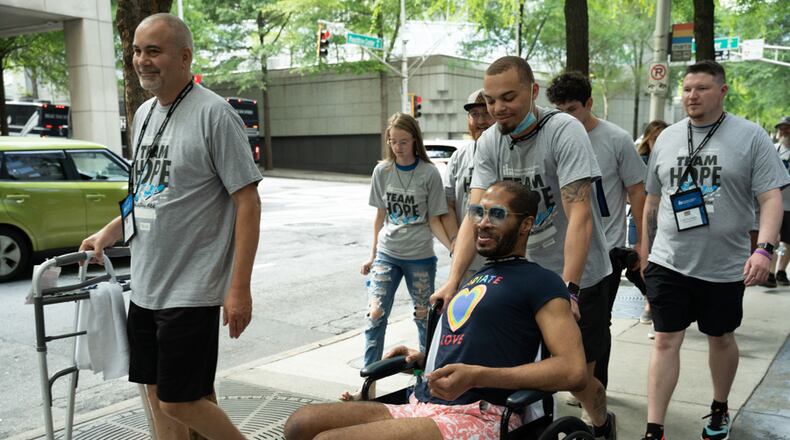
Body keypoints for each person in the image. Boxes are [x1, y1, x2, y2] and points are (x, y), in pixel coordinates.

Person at [284, 181, 587, 440]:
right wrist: (420, 362)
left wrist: (478, 376)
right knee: (300, 424)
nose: (482, 222)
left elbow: (573, 370)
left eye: (497, 214)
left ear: (525, 224)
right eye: (478, 212)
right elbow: (471, 349)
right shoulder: (473, 279)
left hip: (480, 415)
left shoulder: (542, 281)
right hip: (422, 402)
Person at [79, 13, 262, 440]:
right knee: (159, 392)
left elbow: (248, 202)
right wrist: (113, 229)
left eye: (154, 51)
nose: (142, 60)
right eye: (138, 51)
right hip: (145, 285)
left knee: (180, 400)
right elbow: (149, 191)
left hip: (191, 289)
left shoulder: (215, 115)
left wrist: (239, 288)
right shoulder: (144, 114)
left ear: (184, 56)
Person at [431, 56, 617, 440]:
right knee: (526, 367)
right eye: (491, 99)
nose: (497, 109)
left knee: (578, 378)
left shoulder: (563, 130)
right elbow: (474, 214)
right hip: (525, 276)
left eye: (509, 97)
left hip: (578, 273)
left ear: (533, 92)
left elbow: (579, 214)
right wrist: (453, 281)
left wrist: (569, 289)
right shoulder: (491, 142)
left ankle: (601, 424)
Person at [640, 60, 789, 440]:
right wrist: (644, 251)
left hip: (724, 265)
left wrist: (765, 250)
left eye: (702, 88)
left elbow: (771, 199)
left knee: (720, 336)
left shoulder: (751, 137)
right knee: (665, 339)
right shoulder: (668, 138)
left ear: (722, 91)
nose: (692, 95)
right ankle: (654, 428)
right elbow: (651, 202)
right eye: (687, 88)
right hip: (668, 260)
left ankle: (719, 406)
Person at [547, 71, 647, 392]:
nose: (565, 118)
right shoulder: (550, 138)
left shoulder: (616, 139)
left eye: (573, 109)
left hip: (609, 248)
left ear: (589, 104)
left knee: (595, 324)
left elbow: (637, 192)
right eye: (558, 110)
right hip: (561, 247)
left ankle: (594, 386)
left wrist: (641, 241)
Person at [341, 112, 452, 401]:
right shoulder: (382, 172)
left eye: (403, 141)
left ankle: (424, 382)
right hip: (387, 255)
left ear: (415, 140)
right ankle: (367, 389)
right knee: (375, 316)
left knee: (422, 320)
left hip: (419, 257)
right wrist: (372, 254)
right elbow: (380, 217)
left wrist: (453, 247)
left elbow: (435, 219)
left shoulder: (429, 173)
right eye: (393, 142)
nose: (398, 147)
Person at [443, 88, 495, 280]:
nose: (481, 121)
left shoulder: (510, 153)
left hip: (501, 261)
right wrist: (455, 240)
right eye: (474, 114)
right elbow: (447, 205)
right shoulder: (459, 157)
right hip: (467, 262)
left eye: (486, 114)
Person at [632, 121, 668, 327]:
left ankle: (653, 305)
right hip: (642, 218)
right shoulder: (640, 161)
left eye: (662, 137)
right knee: (640, 264)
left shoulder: (676, 159)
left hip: (668, 221)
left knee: (660, 266)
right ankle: (649, 299)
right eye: (654, 138)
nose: (658, 142)